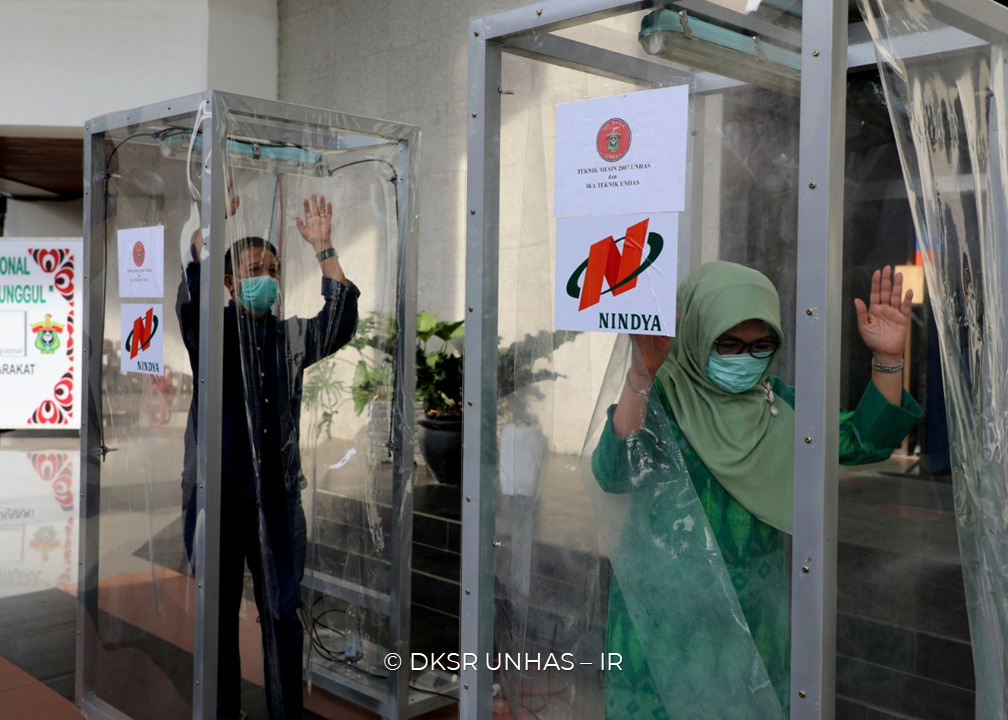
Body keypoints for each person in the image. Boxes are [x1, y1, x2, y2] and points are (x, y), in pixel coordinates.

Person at [590, 262, 922, 720]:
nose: (743, 358)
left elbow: (864, 441)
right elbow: (613, 471)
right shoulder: (660, 397)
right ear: (697, 332)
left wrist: (888, 358)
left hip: (752, 621)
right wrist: (641, 377)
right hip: (662, 620)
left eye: (760, 345)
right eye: (727, 344)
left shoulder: (778, 402)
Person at [177, 194, 360, 719]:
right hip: (217, 496)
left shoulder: (291, 338)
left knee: (281, 614)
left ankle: (285, 713)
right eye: (256, 270)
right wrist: (211, 217)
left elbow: (341, 318)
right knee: (218, 615)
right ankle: (222, 712)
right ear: (231, 283)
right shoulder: (210, 333)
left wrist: (324, 247)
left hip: (276, 500)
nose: (269, 279)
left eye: (275, 271)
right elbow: (191, 289)